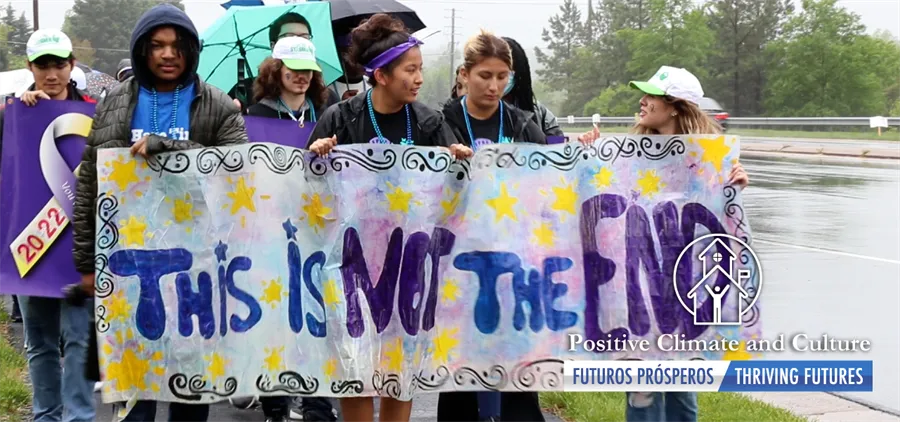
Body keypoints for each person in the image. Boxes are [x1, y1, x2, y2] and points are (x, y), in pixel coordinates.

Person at [70, 4, 248, 421]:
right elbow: (90, 185)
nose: (168, 54)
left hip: (197, 271)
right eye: (157, 46)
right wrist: (85, 262)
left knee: (191, 393)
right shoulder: (115, 103)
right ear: (141, 52)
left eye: (177, 46)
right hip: (130, 269)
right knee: (134, 397)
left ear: (191, 50)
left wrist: (169, 147)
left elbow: (238, 174)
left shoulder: (218, 106)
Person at [306, 13, 457, 421]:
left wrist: (457, 162)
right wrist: (316, 156)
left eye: (420, 69)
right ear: (381, 75)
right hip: (350, 266)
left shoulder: (428, 122)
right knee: (355, 366)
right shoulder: (340, 119)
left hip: (408, 263)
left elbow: (454, 193)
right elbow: (307, 193)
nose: (419, 78)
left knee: (400, 364)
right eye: (411, 70)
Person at [578, 66, 749, 422]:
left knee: (681, 391)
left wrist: (734, 185)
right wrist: (588, 158)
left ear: (675, 106)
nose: (642, 100)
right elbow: (594, 200)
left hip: (684, 292)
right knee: (642, 388)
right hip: (637, 289)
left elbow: (720, 228)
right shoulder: (627, 156)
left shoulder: (708, 162)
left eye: (651, 95)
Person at [436, 30, 547, 422]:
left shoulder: (523, 125)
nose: (494, 85)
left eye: (503, 77)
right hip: (458, 269)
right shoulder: (440, 123)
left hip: (514, 265)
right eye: (485, 75)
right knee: (460, 377)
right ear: (465, 74)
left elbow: (552, 187)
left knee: (518, 376)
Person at [0, 28, 98, 422]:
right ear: (31, 68)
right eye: (43, 65)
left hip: (80, 247)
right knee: (39, 343)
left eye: (59, 64)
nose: (52, 74)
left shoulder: (95, 109)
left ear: (72, 65)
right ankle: (46, 416)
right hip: (30, 245)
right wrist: (16, 116)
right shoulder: (14, 112)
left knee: (78, 338)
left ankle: (79, 416)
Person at [248, 36, 330, 123]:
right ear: (276, 70)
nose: (302, 76)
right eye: (295, 68)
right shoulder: (255, 116)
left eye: (307, 69)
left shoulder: (326, 116)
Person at [501, 37, 562, 137]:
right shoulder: (469, 113)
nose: (495, 83)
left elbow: (557, 145)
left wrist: (581, 143)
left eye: (504, 74)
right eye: (487, 75)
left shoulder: (538, 113)